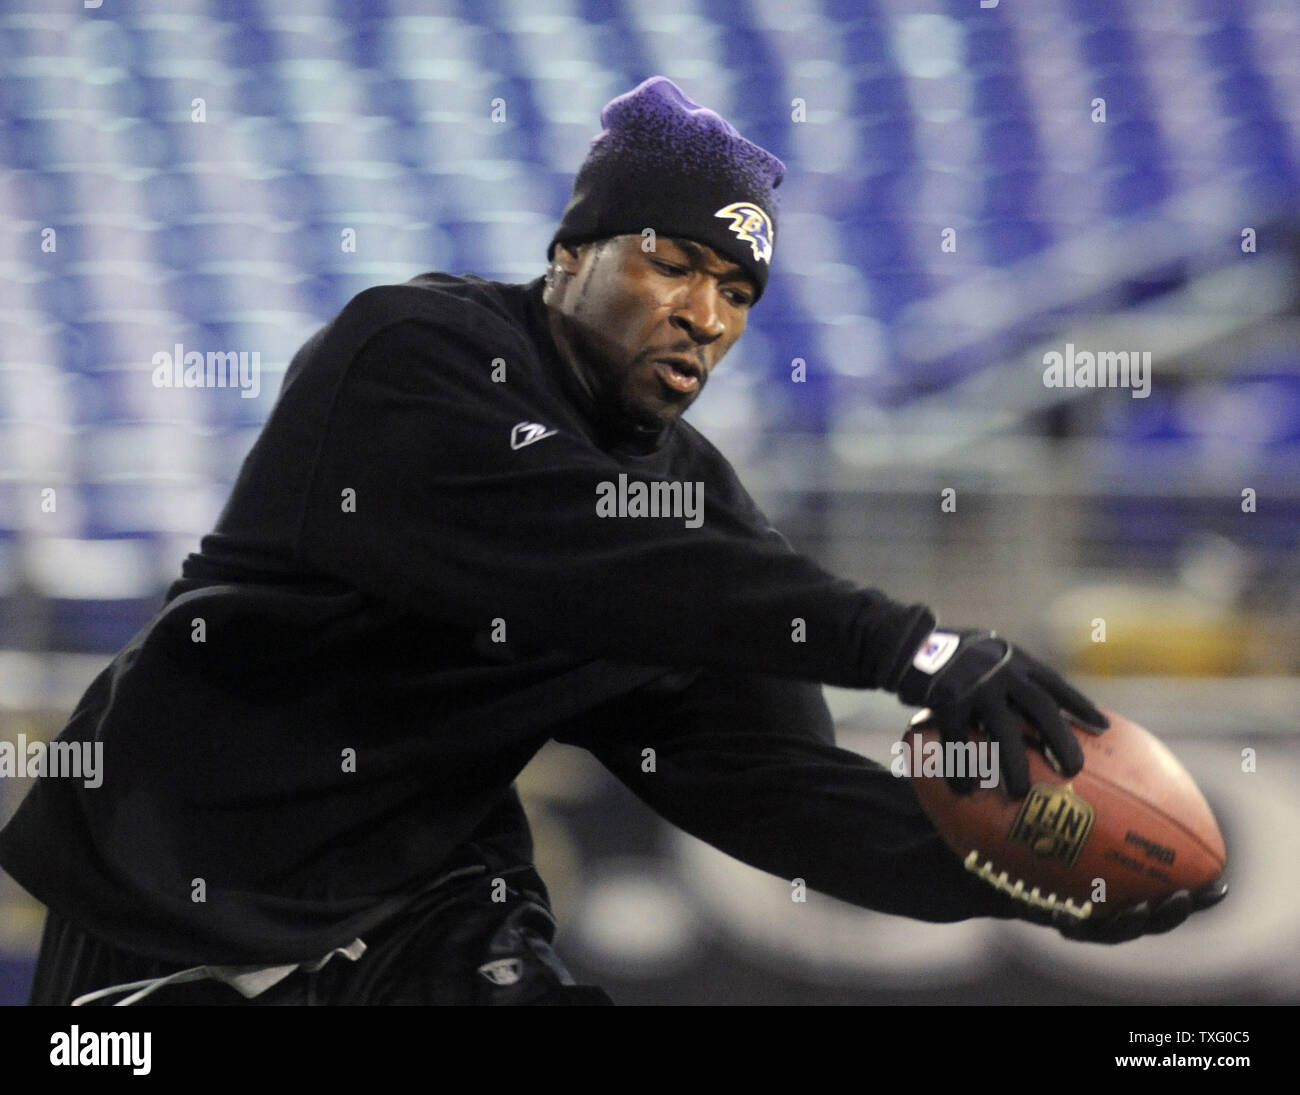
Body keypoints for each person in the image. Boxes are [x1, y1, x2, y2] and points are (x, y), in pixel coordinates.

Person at [0, 76, 1223, 1007]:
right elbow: (594, 552)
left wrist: (1018, 880)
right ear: (569, 255)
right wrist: (913, 646)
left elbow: (767, 784)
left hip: (423, 896)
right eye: (671, 263)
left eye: (737, 293)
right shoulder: (413, 356)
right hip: (175, 874)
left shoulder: (695, 505)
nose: (704, 314)